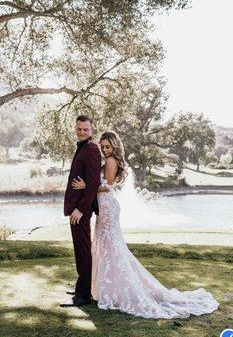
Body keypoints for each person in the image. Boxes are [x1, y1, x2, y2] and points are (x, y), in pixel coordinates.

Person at [72, 130, 220, 319]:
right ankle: (106, 288)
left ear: (115, 146)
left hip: (108, 206)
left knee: (112, 248)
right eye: (102, 147)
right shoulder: (108, 160)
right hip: (105, 207)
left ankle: (120, 291)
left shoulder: (110, 161)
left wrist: (86, 186)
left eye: (107, 146)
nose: (105, 150)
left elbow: (107, 186)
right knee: (107, 248)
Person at [61, 115, 101, 308]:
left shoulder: (92, 149)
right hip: (75, 208)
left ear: (91, 130)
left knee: (83, 251)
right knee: (80, 251)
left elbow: (93, 184)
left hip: (80, 210)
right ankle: (81, 288)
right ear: (75, 129)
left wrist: (80, 209)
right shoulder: (82, 147)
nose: (82, 132)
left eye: (86, 129)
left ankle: (83, 295)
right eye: (79, 129)